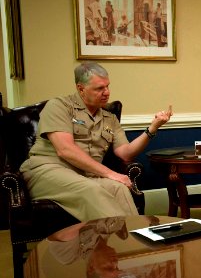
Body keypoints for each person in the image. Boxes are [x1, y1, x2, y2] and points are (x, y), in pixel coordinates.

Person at [20, 62, 173, 221]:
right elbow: (65, 150)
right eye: (99, 88)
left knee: (118, 188)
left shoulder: (109, 118)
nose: (107, 92)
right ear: (81, 89)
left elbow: (126, 153)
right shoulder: (59, 106)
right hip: (48, 170)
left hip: (86, 174)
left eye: (107, 86)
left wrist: (153, 127)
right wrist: (111, 174)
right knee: (91, 189)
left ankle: (135, 239)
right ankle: (117, 242)